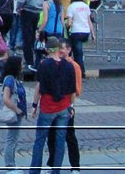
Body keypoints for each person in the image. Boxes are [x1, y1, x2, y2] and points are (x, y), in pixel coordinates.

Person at [28, 35, 76, 174]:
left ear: (48, 49)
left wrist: (34, 105)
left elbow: (39, 87)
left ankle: (35, 171)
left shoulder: (44, 65)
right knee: (60, 141)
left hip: (48, 107)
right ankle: (56, 171)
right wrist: (71, 106)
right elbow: (72, 90)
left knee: (40, 141)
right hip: (63, 107)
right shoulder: (69, 65)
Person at [0, 54, 27, 172]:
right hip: (13, 114)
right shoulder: (9, 79)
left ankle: (12, 164)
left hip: (17, 114)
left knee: (13, 139)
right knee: (11, 139)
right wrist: (16, 109)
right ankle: (9, 165)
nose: (23, 66)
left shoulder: (14, 79)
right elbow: (6, 98)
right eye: (21, 64)